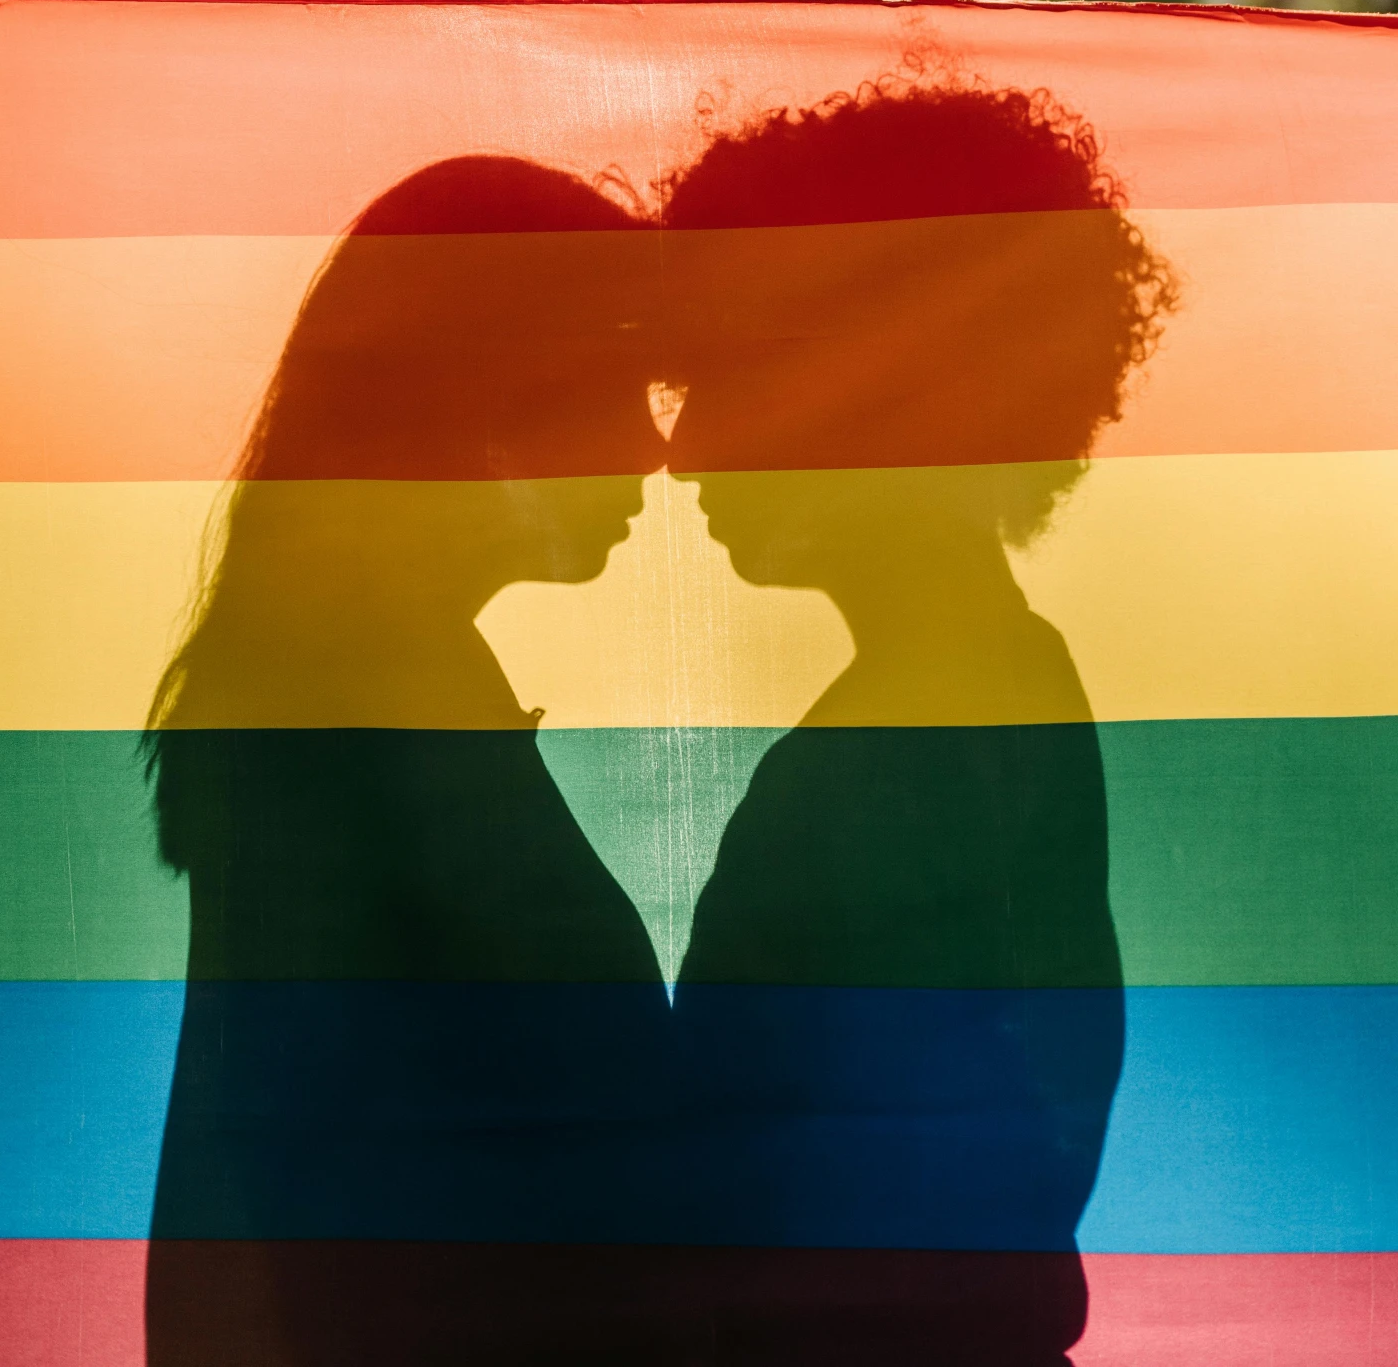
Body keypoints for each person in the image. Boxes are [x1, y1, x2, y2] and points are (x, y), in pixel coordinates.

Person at [660, 74, 1176, 1366]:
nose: (677, 452)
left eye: (721, 379)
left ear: (862, 389)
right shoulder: (997, 685)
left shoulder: (925, 741)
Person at [144, 155, 680, 1365]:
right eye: (619, 388)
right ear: (488, 395)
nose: (657, 451)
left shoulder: (372, 687)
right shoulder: (363, 715)